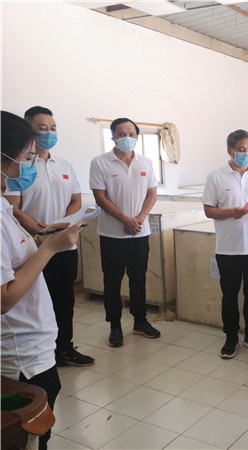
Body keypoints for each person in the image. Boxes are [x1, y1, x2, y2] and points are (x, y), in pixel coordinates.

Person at [1, 110, 83, 449]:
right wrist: (49, 248)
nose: (28, 166)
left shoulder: (3, 209)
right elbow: (4, 298)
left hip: (33, 342)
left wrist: (37, 242)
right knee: (28, 429)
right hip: (19, 352)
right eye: (25, 158)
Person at [5, 106, 93, 367]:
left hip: (64, 245)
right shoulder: (17, 168)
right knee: (36, 300)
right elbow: (13, 207)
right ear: (28, 132)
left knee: (64, 299)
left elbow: (76, 200)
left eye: (53, 128)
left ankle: (64, 348)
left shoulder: (65, 166)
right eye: (42, 128)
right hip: (33, 246)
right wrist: (40, 231)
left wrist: (64, 226)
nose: (49, 133)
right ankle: (44, 352)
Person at [203, 129, 248, 359]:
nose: (246, 153)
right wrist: (229, 213)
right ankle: (231, 337)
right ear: (230, 151)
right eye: (242, 149)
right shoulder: (216, 177)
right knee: (230, 295)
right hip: (228, 248)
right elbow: (208, 210)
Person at [89, 118, 160, 347]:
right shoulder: (100, 163)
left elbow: (152, 194)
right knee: (112, 281)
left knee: (139, 279)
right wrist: (124, 220)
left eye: (131, 134)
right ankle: (115, 326)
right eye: (121, 134)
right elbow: (100, 198)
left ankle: (140, 321)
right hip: (112, 235)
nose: (127, 138)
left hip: (140, 232)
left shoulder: (146, 163)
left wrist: (139, 219)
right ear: (113, 137)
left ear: (137, 137)